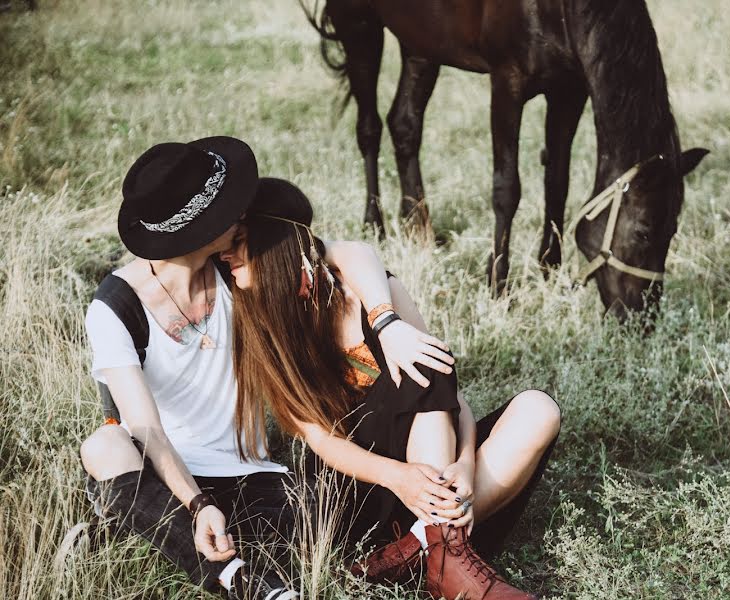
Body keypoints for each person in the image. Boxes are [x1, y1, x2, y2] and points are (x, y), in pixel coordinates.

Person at [79, 137, 456, 600]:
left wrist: (386, 318)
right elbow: (148, 432)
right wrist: (196, 504)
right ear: (199, 229)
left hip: (256, 477)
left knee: (331, 530)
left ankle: (431, 544)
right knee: (104, 445)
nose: (243, 213)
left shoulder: (237, 273)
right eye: (230, 209)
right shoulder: (116, 307)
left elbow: (341, 251)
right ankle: (248, 584)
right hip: (171, 479)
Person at [220, 179, 561, 600]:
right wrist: (397, 477)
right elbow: (321, 442)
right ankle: (442, 551)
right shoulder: (263, 330)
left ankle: (423, 548)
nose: (226, 254)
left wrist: (468, 463)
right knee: (420, 362)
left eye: (239, 241)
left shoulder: (373, 293)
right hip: (361, 491)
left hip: (427, 483)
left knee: (537, 408)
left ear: (276, 244)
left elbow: (444, 394)